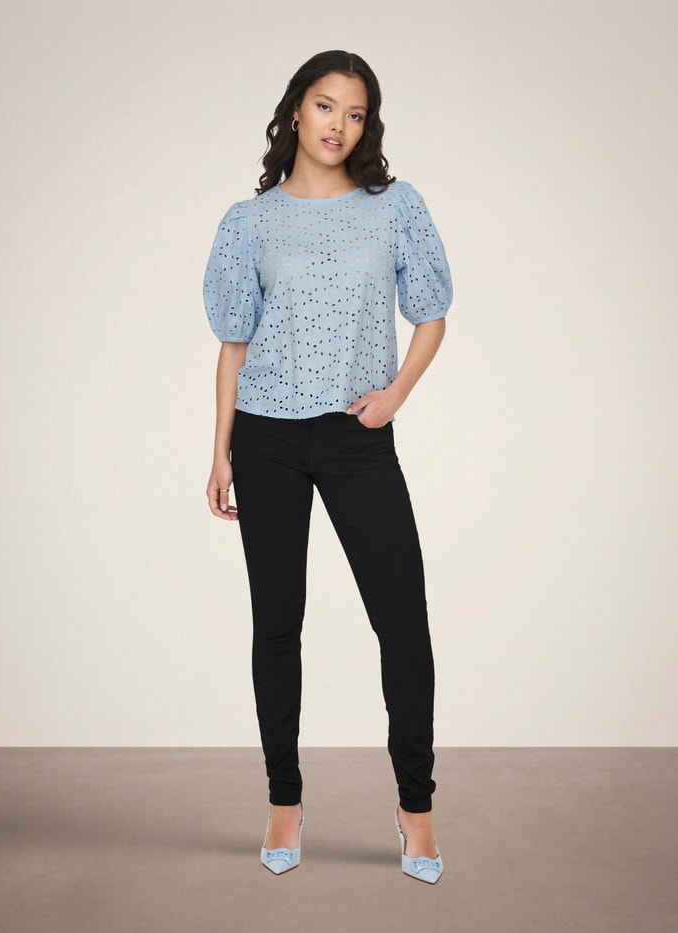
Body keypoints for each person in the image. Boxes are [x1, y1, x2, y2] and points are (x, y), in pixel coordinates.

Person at [203, 50, 453, 884]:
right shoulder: (250, 222)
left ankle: (416, 810)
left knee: (403, 623)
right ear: (296, 111)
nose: (338, 124)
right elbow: (234, 343)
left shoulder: (394, 208)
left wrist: (395, 395)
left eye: (355, 112)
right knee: (277, 624)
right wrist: (219, 451)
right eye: (324, 105)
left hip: (356, 437)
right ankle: (284, 800)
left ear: (366, 124)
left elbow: (432, 315)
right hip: (265, 438)